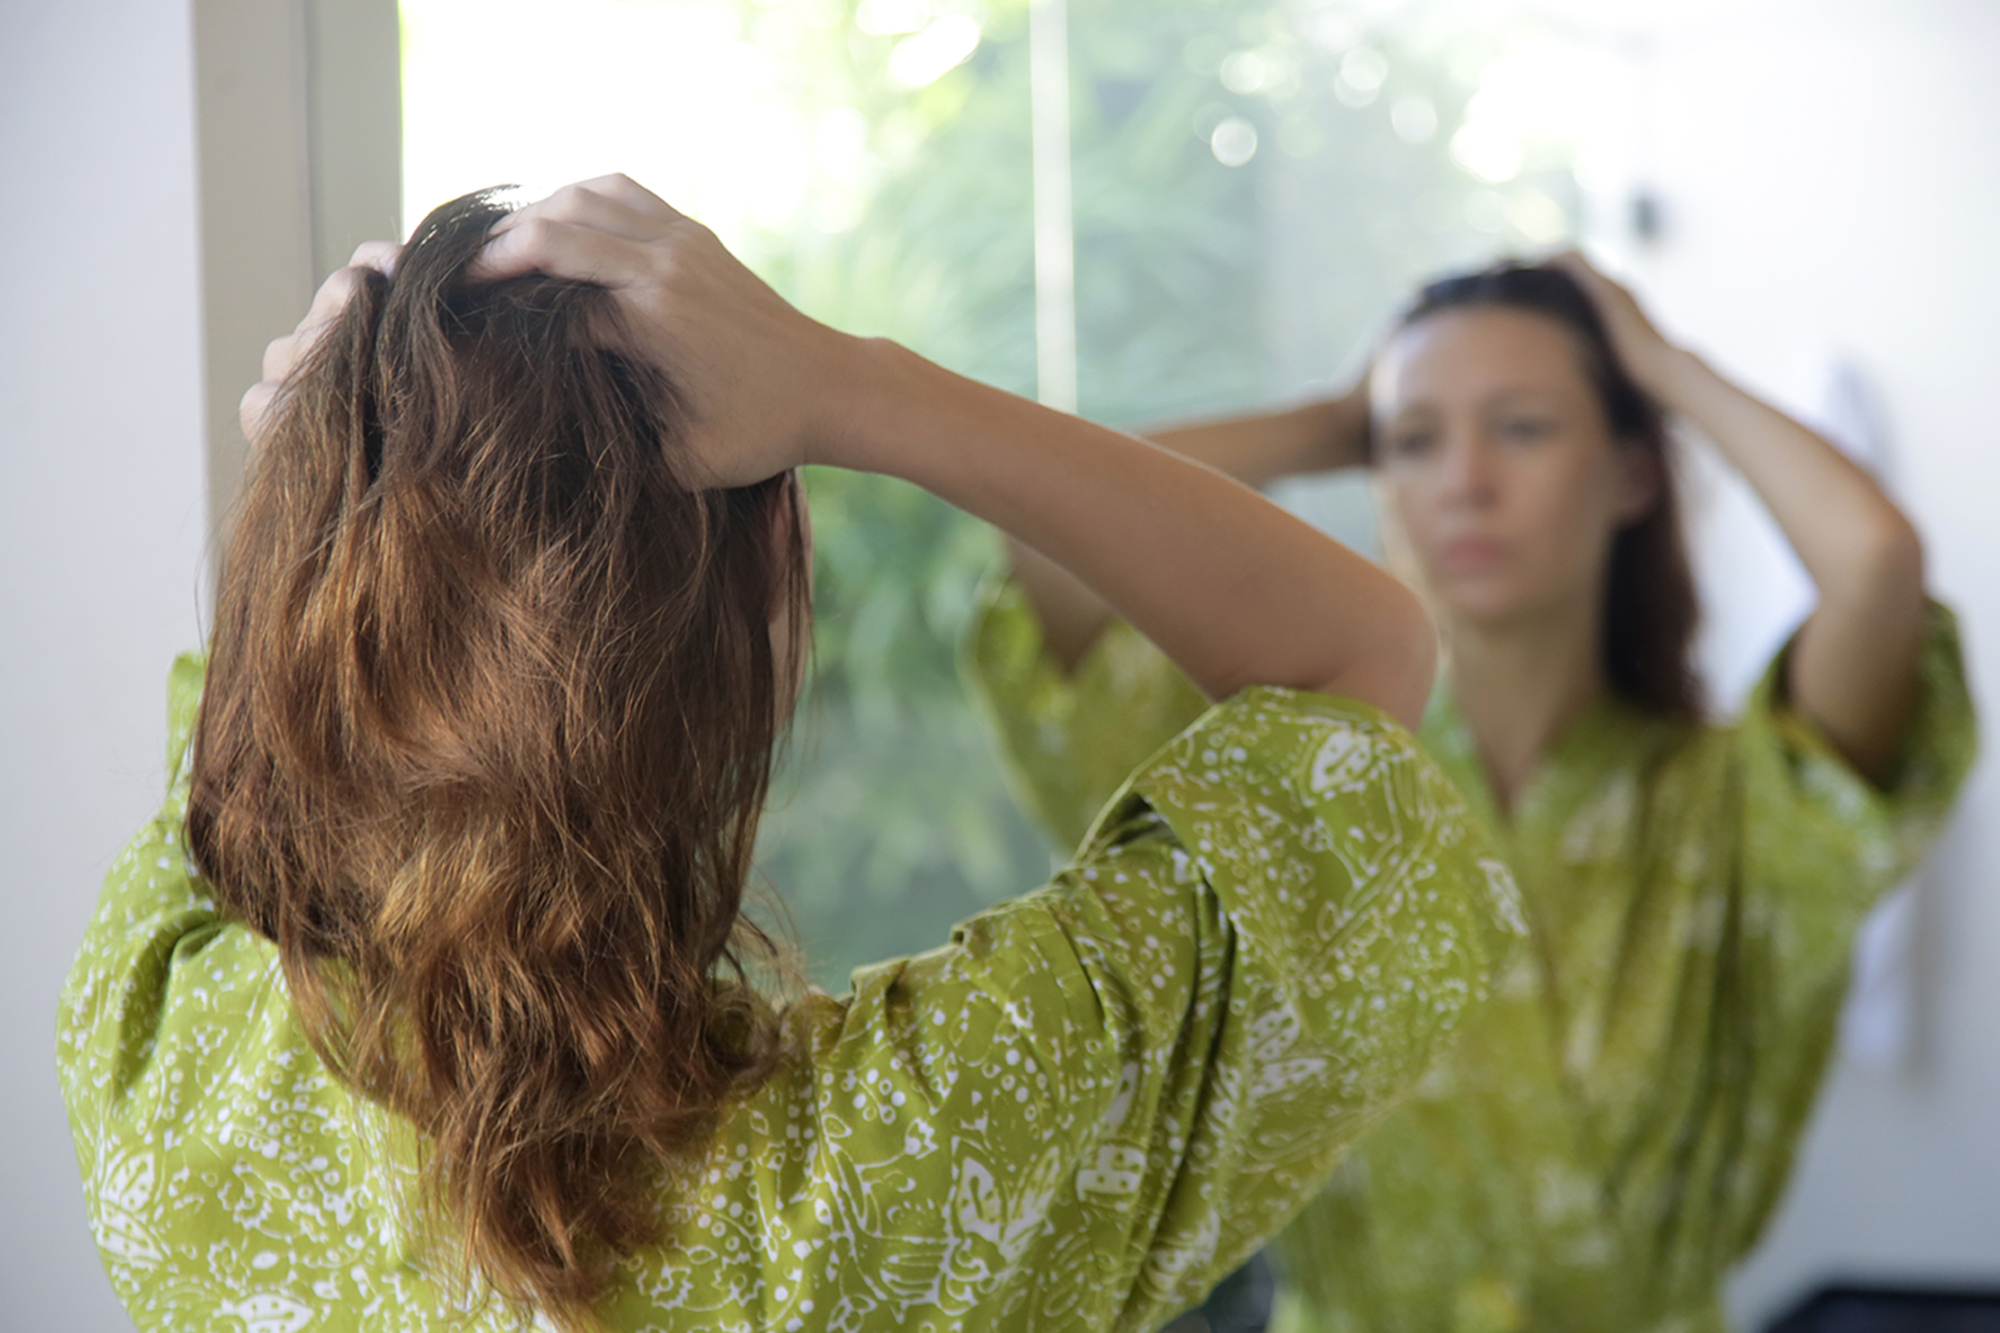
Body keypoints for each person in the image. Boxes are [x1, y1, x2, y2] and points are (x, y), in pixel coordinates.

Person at [56, 178, 1525, 1333]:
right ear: (764, 613)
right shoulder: (903, 1153)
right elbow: (1358, 665)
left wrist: (326, 471)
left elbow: (252, 761)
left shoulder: (164, 1055)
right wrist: (852, 384)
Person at [967, 255, 1976, 1332]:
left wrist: (1662, 367)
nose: (1463, 479)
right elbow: (1043, 539)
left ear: (1631, 474)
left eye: (1523, 427)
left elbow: (1874, 562)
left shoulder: (1738, 807)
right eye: (1412, 441)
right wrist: (1328, 421)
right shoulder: (1295, 791)